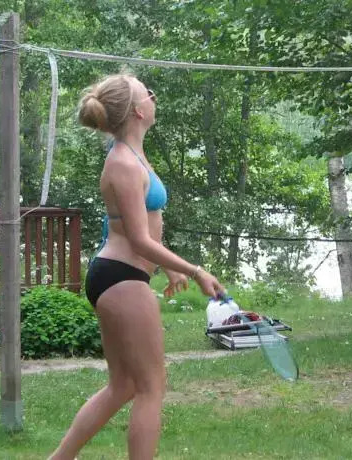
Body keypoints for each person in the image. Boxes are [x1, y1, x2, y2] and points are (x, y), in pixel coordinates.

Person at [49, 73, 227, 460]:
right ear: (138, 111)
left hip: (118, 275)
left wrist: (170, 267)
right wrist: (196, 271)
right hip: (121, 278)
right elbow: (138, 239)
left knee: (124, 386)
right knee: (151, 386)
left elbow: (137, 229)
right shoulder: (123, 163)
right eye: (148, 94)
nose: (153, 98)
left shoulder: (131, 154)